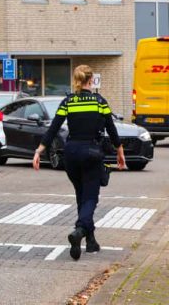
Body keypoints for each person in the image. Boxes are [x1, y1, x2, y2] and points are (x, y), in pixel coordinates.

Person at [33, 65, 126, 261]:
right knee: (91, 198)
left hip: (71, 153)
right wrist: (120, 151)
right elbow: (111, 128)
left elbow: (53, 128)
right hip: (91, 152)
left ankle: (90, 241)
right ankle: (80, 230)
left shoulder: (68, 101)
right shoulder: (99, 102)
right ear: (91, 80)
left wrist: (39, 150)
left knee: (81, 196)